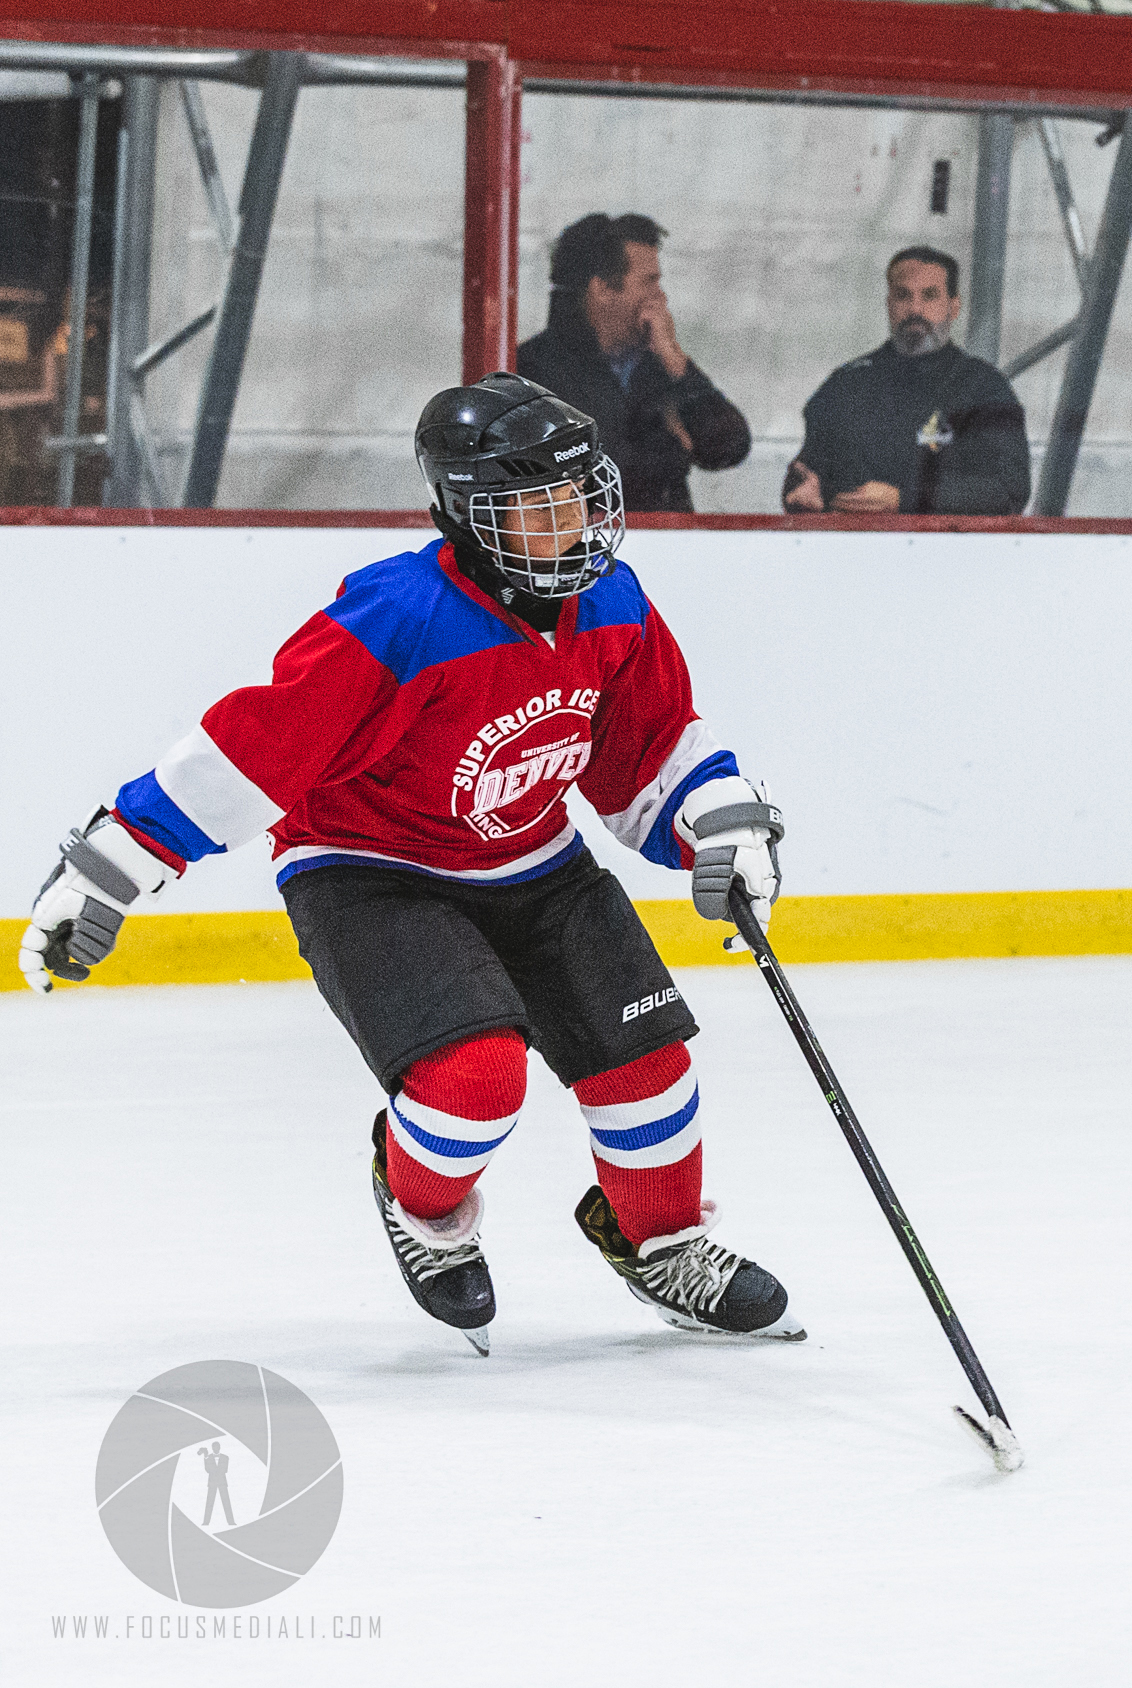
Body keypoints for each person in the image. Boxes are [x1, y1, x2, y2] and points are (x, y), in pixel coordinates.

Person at [20, 372, 802, 1354]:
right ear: (471, 518)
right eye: (540, 502)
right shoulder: (398, 615)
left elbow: (647, 749)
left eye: (580, 490)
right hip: (371, 869)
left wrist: (721, 824)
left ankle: (663, 1244)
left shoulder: (613, 600)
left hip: (536, 861)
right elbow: (252, 749)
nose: (576, 517)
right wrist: (108, 868)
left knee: (649, 1064)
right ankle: (418, 1199)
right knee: (473, 1082)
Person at [514, 214, 750, 513]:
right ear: (602, 289)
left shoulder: (658, 365)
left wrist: (676, 361)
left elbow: (729, 447)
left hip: (670, 548)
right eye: (648, 282)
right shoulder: (533, 370)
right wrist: (674, 450)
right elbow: (597, 472)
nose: (660, 296)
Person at [785, 246, 1030, 516]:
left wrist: (905, 499)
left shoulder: (983, 388)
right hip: (855, 551)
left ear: (953, 306)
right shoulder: (846, 384)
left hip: (948, 553)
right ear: (889, 304)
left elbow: (1009, 489)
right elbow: (805, 472)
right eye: (903, 295)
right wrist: (803, 493)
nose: (915, 309)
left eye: (929, 296)